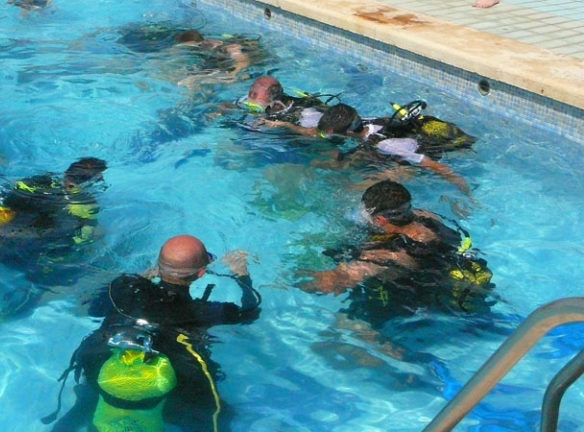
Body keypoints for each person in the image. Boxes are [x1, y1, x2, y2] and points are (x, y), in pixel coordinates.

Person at [48, 234, 261, 432]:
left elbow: (94, 308)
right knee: (223, 416)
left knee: (94, 395)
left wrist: (141, 278)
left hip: (102, 361)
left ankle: (88, 403)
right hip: (170, 375)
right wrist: (242, 275)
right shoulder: (203, 312)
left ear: (158, 267)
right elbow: (251, 312)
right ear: (201, 274)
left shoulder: (121, 287)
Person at [297, 180, 494, 325]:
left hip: (442, 306)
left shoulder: (384, 254)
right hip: (468, 279)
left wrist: (287, 277)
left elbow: (333, 283)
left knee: (346, 324)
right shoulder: (429, 218)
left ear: (380, 220)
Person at [0, 157, 107, 280]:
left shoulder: (41, 180)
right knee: (98, 234)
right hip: (19, 251)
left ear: (66, 174)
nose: (102, 183)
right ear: (88, 183)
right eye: (99, 180)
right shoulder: (84, 204)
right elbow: (78, 239)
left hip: (1, 227)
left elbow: (9, 196)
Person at [259, 102, 473, 194]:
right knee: (332, 164)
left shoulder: (386, 144)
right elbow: (315, 132)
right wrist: (283, 125)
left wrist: (462, 187)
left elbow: (432, 165)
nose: (323, 136)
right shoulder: (364, 121)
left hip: (414, 156)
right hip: (391, 148)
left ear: (348, 133)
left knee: (368, 184)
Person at [174, 29, 252, 88]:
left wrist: (233, 74)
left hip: (235, 71)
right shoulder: (207, 45)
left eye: (190, 47)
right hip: (220, 65)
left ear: (193, 42)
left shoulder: (228, 48)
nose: (190, 50)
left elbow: (243, 62)